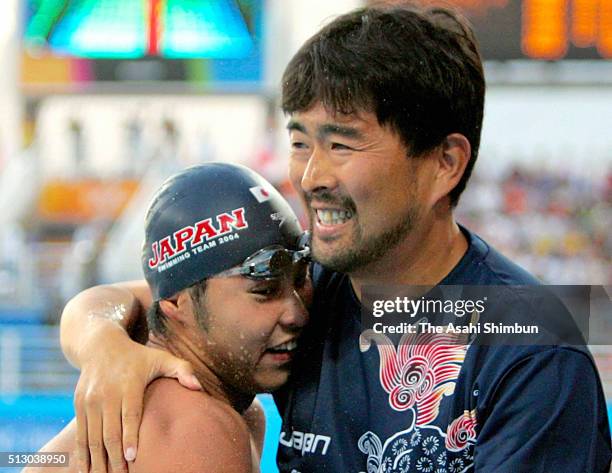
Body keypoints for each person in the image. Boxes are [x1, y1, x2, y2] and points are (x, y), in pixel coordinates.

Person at [59, 3, 612, 473]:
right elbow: (151, 295)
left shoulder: (533, 351)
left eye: (342, 145)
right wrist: (103, 345)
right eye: (301, 142)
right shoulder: (308, 295)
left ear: (444, 163)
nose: (310, 176)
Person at [27, 163, 311, 472]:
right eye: (265, 291)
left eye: (300, 280)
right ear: (177, 303)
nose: (297, 314)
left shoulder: (235, 411)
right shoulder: (196, 429)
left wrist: (100, 340)